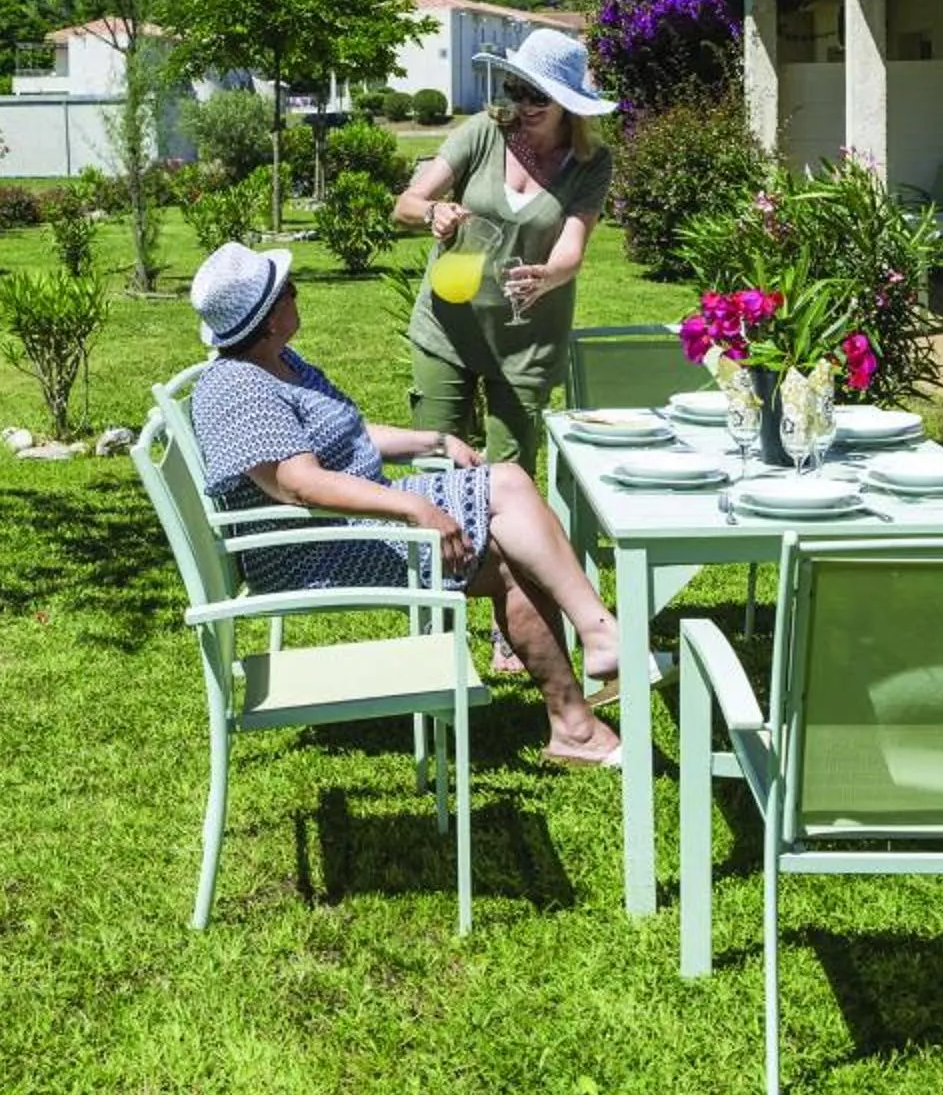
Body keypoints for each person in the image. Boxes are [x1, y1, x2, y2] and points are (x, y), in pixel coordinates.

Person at [185, 241, 623, 767]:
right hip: (317, 549)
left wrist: (433, 442)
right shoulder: (239, 390)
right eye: (287, 290)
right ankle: (586, 684)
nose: (297, 292)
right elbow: (299, 484)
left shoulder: (276, 362)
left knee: (505, 488)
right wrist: (415, 511)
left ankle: (590, 666)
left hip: (348, 521)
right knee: (508, 541)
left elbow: (342, 437)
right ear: (268, 319)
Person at [392, 27, 615, 673]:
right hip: (447, 329)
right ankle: (431, 628)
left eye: (535, 94)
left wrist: (549, 275)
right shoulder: (482, 133)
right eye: (514, 89)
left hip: (526, 343)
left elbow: (573, 245)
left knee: (506, 484)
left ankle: (509, 625)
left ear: (567, 102)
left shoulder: (589, 164)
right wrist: (429, 213)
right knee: (436, 471)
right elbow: (407, 202)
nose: (520, 103)